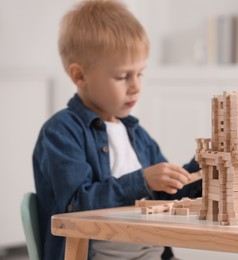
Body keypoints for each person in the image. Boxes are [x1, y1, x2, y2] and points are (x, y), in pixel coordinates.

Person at [32, 1, 201, 259]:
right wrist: (141, 181)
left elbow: (170, 195)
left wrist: (203, 168)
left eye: (140, 73)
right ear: (80, 76)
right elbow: (73, 205)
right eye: (123, 76)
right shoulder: (61, 132)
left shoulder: (137, 135)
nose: (135, 86)